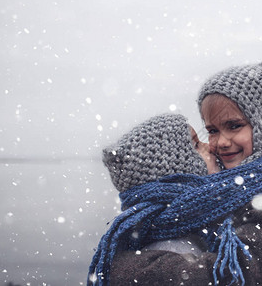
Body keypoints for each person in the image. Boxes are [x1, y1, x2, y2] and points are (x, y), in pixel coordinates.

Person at [108, 60, 262, 285]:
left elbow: (234, 273)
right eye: (212, 130)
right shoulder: (227, 191)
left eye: (234, 126)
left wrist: (134, 269)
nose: (221, 142)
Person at [88, 114, 215, 284]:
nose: (210, 146)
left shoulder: (174, 230)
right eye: (196, 145)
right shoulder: (176, 249)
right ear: (181, 172)